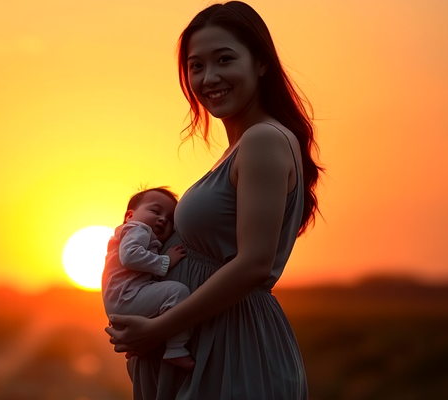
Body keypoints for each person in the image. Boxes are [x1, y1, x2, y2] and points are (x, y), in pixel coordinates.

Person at [104, 2, 323, 399]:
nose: (209, 77)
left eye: (224, 60)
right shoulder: (242, 148)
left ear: (260, 63)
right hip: (215, 340)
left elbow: (254, 265)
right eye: (196, 66)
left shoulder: (263, 140)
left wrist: (160, 328)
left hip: (235, 345)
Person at [101, 187, 195, 370]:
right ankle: (176, 349)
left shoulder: (134, 233)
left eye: (170, 220)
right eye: (155, 211)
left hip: (123, 299)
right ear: (130, 215)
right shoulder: (138, 229)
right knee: (177, 292)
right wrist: (166, 261)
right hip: (127, 297)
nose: (162, 219)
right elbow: (130, 256)